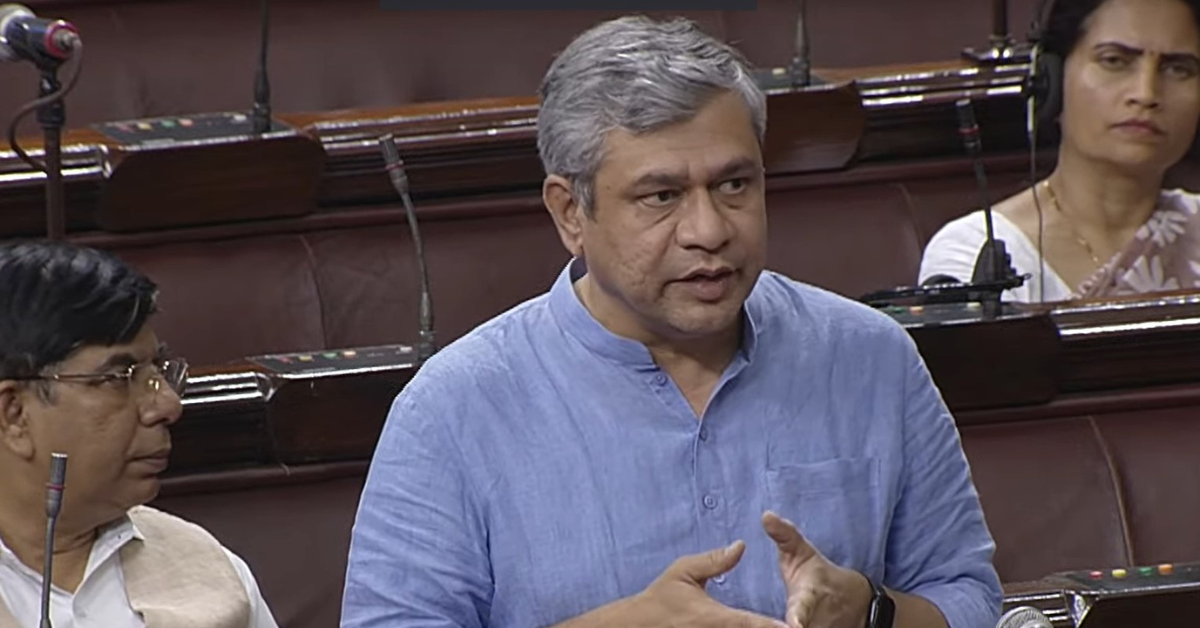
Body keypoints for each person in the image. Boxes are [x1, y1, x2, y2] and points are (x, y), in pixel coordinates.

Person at [342, 15, 1001, 628]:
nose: (709, 230)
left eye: (734, 185)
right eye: (661, 196)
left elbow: (968, 595)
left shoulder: (869, 357)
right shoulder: (453, 410)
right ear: (571, 213)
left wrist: (870, 611)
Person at [0, 240, 279, 628]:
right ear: (14, 414)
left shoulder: (209, 574)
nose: (168, 405)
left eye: (159, 371)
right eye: (119, 377)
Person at [921, 0, 1200, 302]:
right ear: (1050, 81)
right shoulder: (977, 250)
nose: (1146, 94)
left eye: (1178, 69)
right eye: (1114, 61)